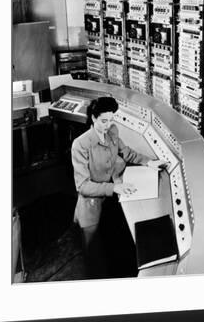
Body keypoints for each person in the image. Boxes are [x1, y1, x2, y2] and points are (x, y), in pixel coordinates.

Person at [71, 96, 165, 277]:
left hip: (112, 202)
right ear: (93, 118)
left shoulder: (112, 132)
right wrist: (113, 188)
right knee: (94, 259)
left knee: (115, 251)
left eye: (111, 120)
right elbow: (82, 186)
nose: (107, 125)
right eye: (103, 121)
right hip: (92, 205)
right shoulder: (80, 145)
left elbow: (126, 152)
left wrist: (149, 162)